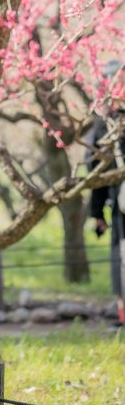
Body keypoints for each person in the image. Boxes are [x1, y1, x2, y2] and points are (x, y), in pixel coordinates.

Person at [87, 69, 125, 329]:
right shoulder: (108, 123)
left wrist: (98, 213)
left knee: (122, 256)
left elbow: (94, 170)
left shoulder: (106, 123)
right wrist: (98, 212)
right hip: (120, 201)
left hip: (120, 203)